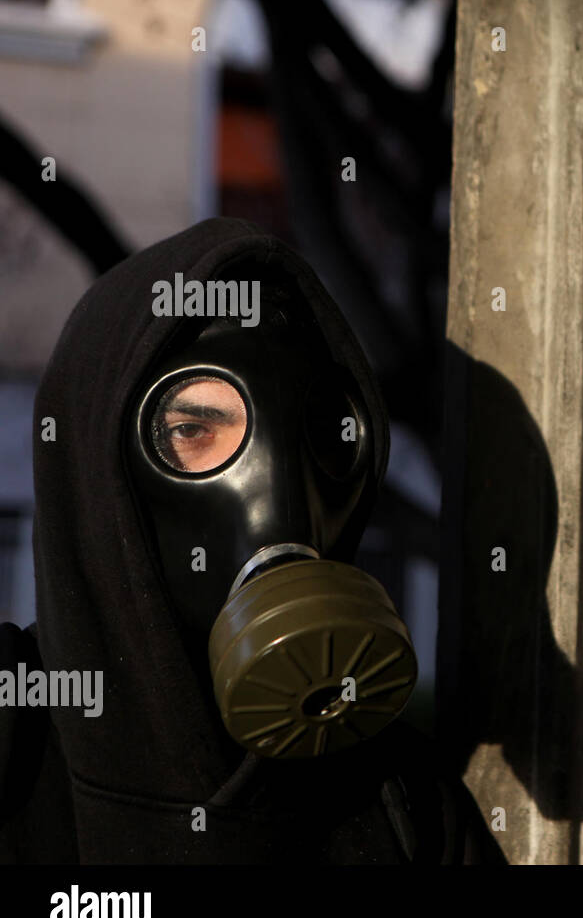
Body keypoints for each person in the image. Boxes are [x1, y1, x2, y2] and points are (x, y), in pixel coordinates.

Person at [0, 217, 504, 864]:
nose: (277, 498)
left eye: (310, 436)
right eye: (191, 431)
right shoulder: (16, 744)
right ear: (94, 467)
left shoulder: (403, 808)